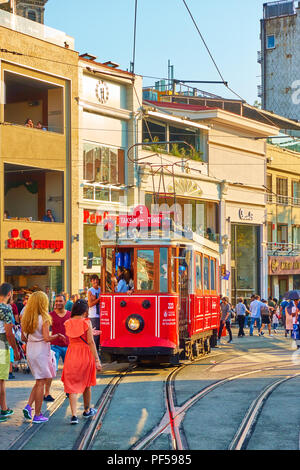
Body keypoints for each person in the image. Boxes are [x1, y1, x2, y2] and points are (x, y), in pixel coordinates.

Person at [21, 291, 65, 424]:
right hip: (40, 350)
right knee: (41, 382)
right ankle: (37, 414)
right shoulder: (44, 318)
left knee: (38, 380)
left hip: (31, 349)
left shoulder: (25, 317)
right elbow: (46, 338)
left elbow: (23, 338)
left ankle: (29, 407)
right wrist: (57, 336)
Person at [61, 300, 101, 425]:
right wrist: (97, 359)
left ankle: (73, 416)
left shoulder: (67, 322)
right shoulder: (86, 322)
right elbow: (90, 342)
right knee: (87, 383)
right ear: (85, 311)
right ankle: (87, 410)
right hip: (85, 355)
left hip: (72, 354)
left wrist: (90, 331)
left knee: (72, 386)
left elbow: (75, 336)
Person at [43, 294, 71, 402]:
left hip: (67, 346)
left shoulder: (70, 315)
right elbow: (44, 331)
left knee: (68, 370)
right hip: (54, 346)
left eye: (60, 301)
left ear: (65, 302)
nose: (58, 303)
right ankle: (47, 393)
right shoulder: (50, 315)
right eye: (56, 301)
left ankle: (68, 390)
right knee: (51, 369)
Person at [0, 283, 20, 422]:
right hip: (1, 345)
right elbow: (8, 333)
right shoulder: (5, 309)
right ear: (10, 293)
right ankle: (4, 409)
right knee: (1, 380)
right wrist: (16, 350)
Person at [87, 275, 101, 353]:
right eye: (93, 280)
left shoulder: (101, 289)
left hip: (101, 315)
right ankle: (93, 352)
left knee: (99, 334)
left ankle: (97, 352)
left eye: (96, 280)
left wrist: (95, 299)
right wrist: (98, 299)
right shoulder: (90, 290)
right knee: (95, 335)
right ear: (91, 282)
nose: (95, 281)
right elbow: (90, 304)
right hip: (93, 315)